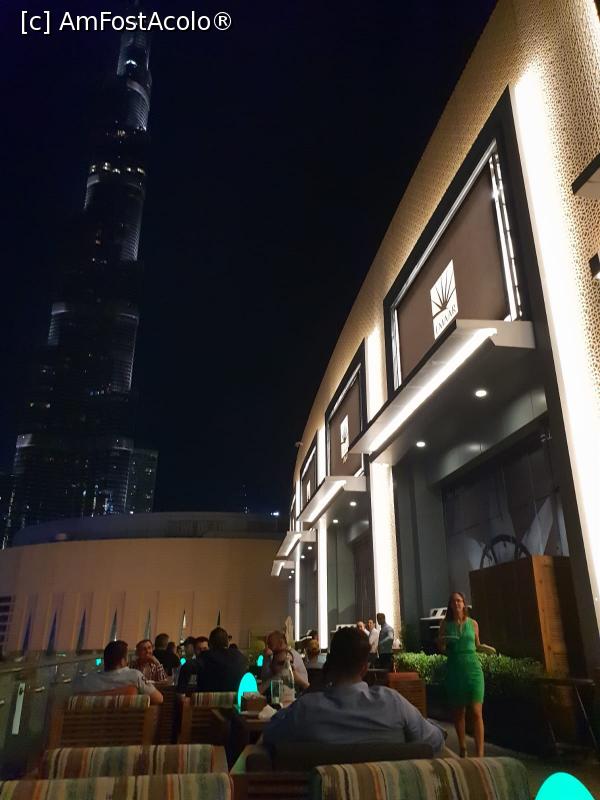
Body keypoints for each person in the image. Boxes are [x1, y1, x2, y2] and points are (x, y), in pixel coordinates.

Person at [263, 627, 443, 752]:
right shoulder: (393, 703)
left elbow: (270, 733)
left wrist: (312, 689)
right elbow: (435, 740)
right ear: (364, 668)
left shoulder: (306, 709)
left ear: (330, 664)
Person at [438, 592, 485, 758]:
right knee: (459, 712)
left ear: (464, 604)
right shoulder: (445, 624)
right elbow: (441, 648)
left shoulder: (473, 624)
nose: (457, 604)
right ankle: (463, 747)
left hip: (473, 668)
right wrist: (442, 643)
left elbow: (477, 644)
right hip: (455, 667)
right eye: (453, 601)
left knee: (477, 711)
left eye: (459, 601)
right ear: (450, 605)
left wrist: (486, 648)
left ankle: (480, 753)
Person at [74, 640, 163, 704]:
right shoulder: (134, 675)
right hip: (128, 723)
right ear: (122, 661)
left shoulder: (90, 679)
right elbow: (159, 699)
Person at [177, 626, 248, 693]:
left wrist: (181, 693)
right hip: (234, 700)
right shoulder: (241, 657)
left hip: (207, 700)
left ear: (210, 644)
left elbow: (187, 666)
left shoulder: (206, 656)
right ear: (227, 643)